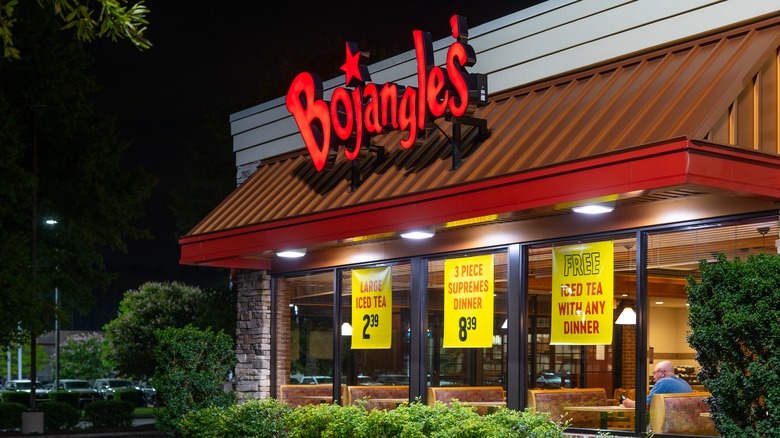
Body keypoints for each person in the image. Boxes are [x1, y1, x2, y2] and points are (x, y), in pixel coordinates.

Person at [621, 360, 693, 408]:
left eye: (655, 373)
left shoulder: (663, 382)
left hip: (670, 424)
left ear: (662, 372)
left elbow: (647, 404)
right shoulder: (684, 382)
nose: (654, 377)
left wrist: (629, 403)